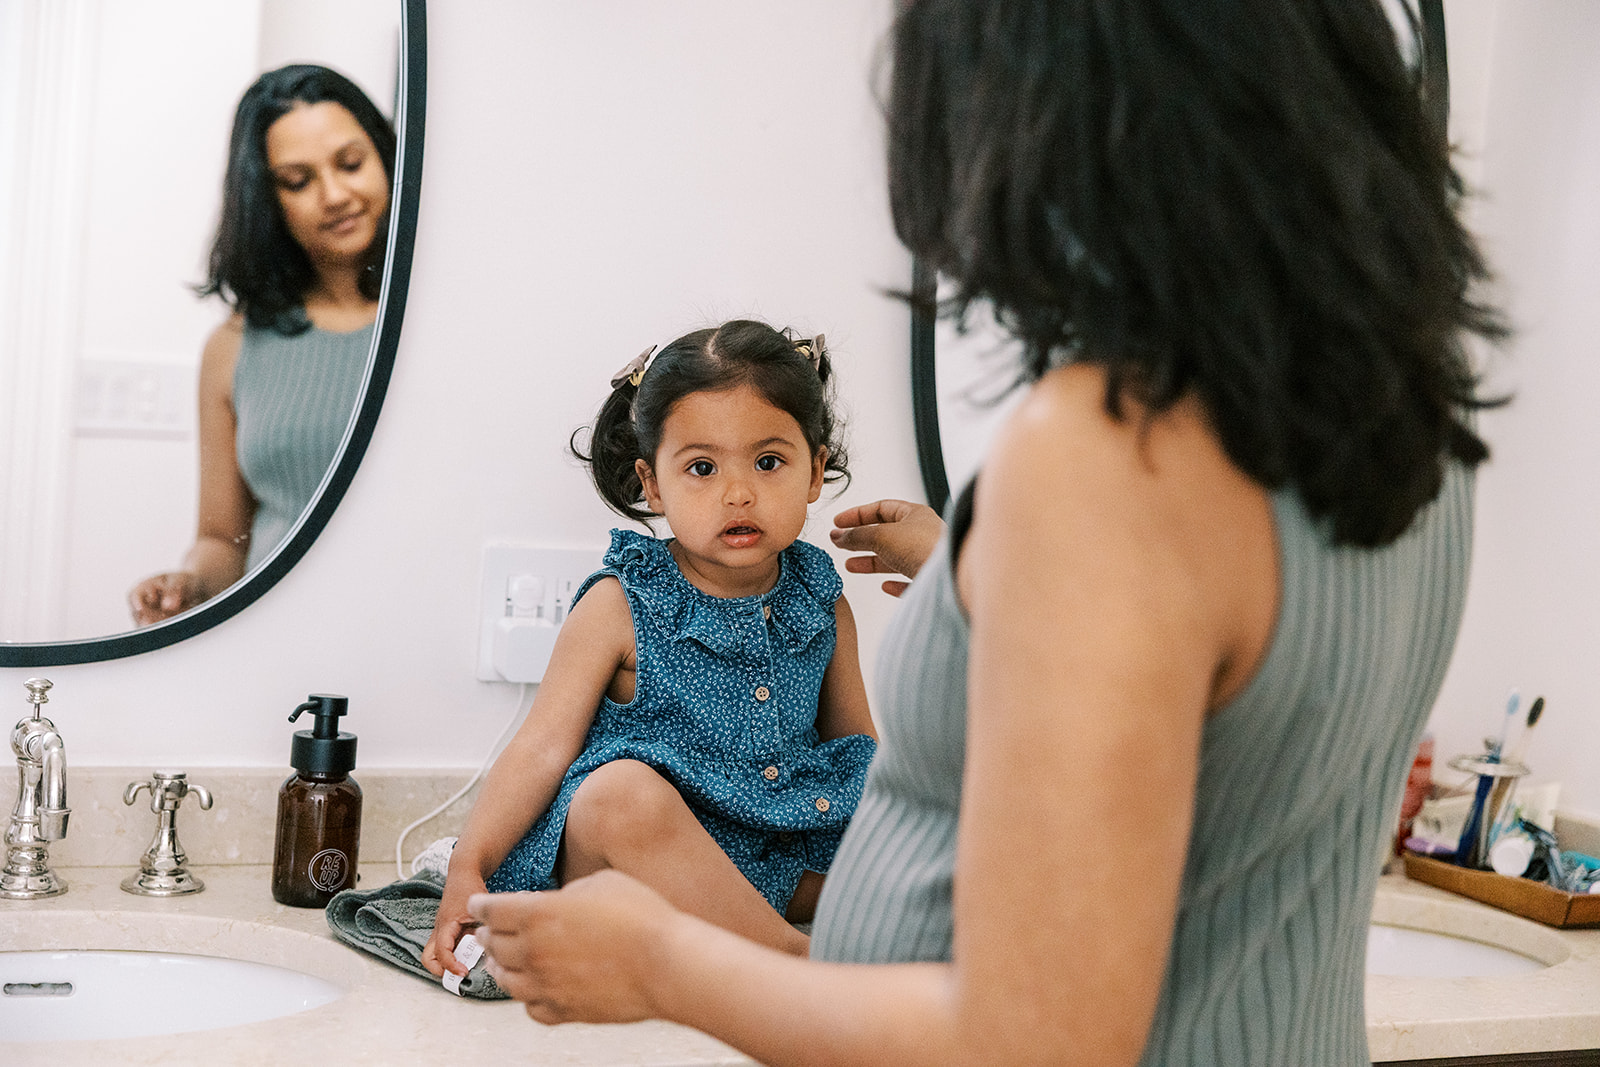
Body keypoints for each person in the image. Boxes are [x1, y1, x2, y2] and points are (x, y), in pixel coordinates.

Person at [464, 1, 1505, 1064]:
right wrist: (995, 575)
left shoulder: (1110, 451)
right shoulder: (1412, 416)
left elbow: (1036, 1039)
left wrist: (661, 961)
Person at [421, 320, 878, 979]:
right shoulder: (623, 600)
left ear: (815, 470)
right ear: (654, 484)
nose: (739, 491)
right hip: (627, 858)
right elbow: (542, 747)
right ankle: (788, 959)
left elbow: (856, 747)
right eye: (701, 467)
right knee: (619, 793)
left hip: (776, 850)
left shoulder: (820, 596)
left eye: (769, 461)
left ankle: (769, 927)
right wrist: (471, 863)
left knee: (941, 859)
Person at [128, 65, 395, 625]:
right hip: (271, 642)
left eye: (350, 164)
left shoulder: (443, 319)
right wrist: (192, 582)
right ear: (267, 201)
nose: (335, 195)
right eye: (298, 181)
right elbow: (223, 538)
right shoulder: (231, 347)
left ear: (388, 158)